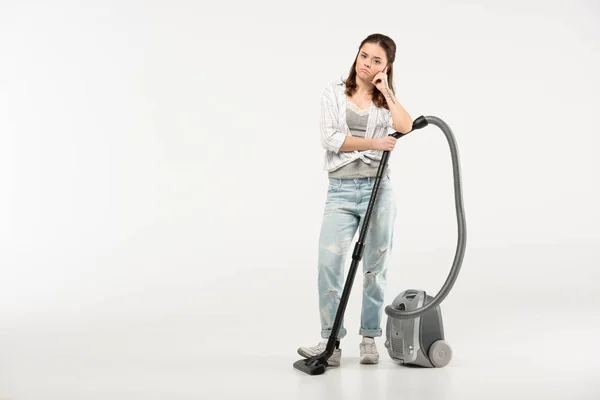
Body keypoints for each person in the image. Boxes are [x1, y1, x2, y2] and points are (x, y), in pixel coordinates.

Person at [297, 33, 413, 365]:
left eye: (377, 60)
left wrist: (386, 89)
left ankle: (369, 338)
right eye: (364, 56)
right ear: (356, 56)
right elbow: (330, 138)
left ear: (386, 66)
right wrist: (374, 145)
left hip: (379, 190)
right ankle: (330, 343)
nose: (367, 64)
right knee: (328, 264)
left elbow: (404, 126)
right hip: (341, 191)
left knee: (376, 267)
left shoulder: (383, 99)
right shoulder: (333, 92)